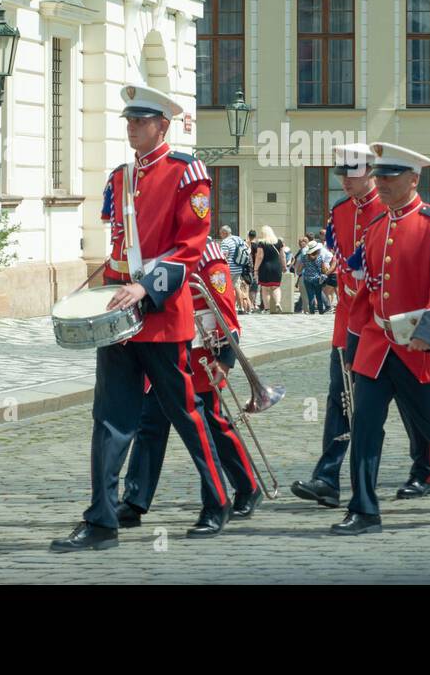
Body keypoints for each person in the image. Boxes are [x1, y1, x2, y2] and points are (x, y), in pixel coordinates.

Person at [51, 83, 230, 552]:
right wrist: (103, 289)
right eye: (129, 120)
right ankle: (101, 520)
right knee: (110, 419)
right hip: (119, 318)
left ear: (162, 125)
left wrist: (145, 288)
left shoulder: (187, 172)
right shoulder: (120, 177)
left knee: (187, 416)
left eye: (141, 121)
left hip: (164, 316)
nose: (132, 127)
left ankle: (216, 501)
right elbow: (118, 250)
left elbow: (191, 245)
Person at [330, 142, 430, 534]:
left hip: (420, 347)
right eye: (379, 177)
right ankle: (364, 509)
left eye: (390, 177)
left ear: (413, 179)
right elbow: (366, 293)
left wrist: (427, 332)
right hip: (377, 344)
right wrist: (353, 347)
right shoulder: (376, 227)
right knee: (365, 424)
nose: (381, 183)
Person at [292, 143, 430, 509]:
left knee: (410, 399)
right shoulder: (339, 211)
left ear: (371, 172)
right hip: (349, 318)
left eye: (352, 174)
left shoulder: (390, 207)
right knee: (340, 396)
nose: (345, 181)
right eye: (341, 174)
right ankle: (327, 477)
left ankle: (423, 470)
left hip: (390, 319)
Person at [119, 238, 262, 523]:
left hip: (200, 358)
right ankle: (135, 501)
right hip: (164, 352)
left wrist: (224, 359)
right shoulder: (155, 250)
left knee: (213, 425)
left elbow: (224, 308)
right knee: (150, 426)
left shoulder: (208, 255)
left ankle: (247, 486)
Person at [253, 225, 285, 313]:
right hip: (276, 267)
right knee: (276, 287)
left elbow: (259, 256)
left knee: (265, 289)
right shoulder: (279, 242)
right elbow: (282, 256)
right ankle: (278, 303)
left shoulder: (261, 243)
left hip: (265, 267)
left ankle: (267, 308)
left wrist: (255, 269)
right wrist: (284, 266)